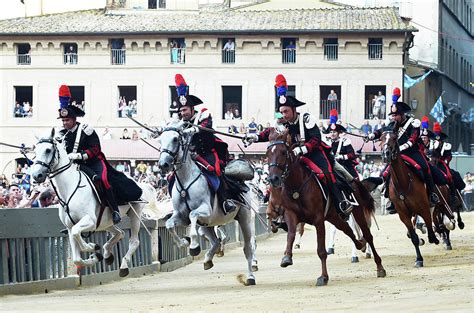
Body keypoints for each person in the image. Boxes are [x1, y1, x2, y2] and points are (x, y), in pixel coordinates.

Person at [244, 74, 353, 220]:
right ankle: (283, 212)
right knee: (281, 174)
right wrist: (255, 137)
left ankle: (341, 202)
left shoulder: (306, 118)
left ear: (294, 109)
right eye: (281, 112)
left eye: (286, 111)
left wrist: (303, 148)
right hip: (296, 156)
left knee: (326, 172)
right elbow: (269, 133)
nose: (284, 114)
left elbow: (316, 139)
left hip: (314, 153)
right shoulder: (283, 122)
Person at [57, 85, 142, 224]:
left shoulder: (86, 130)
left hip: (93, 162)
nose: (65, 123)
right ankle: (71, 219)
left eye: (67, 120)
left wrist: (80, 155)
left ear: (74, 119)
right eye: (63, 121)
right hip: (75, 166)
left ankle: (114, 210)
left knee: (102, 179)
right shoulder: (61, 134)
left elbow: (96, 148)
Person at [171, 74, 239, 214]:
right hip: (190, 157)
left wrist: (192, 129)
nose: (183, 113)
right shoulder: (179, 122)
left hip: (207, 152)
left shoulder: (203, 115)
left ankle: (225, 201)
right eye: (181, 111)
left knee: (216, 171)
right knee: (173, 177)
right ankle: (176, 207)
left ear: (191, 108)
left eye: (185, 110)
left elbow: (205, 126)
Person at [367, 87, 439, 213]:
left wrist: (400, 148)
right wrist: (372, 135)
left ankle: (432, 194)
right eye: (392, 115)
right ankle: (391, 198)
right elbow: (383, 131)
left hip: (413, 153)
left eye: (395, 115)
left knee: (425, 168)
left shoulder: (414, 124)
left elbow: (412, 140)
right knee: (385, 173)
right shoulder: (393, 124)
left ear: (402, 114)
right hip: (399, 155)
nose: (393, 118)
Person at [323, 110, 358, 178]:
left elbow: (352, 155)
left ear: (338, 133)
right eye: (331, 132)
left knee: (351, 178)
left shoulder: (345, 141)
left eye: (334, 132)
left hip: (343, 165)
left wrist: (341, 157)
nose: (332, 134)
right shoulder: (326, 141)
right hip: (329, 165)